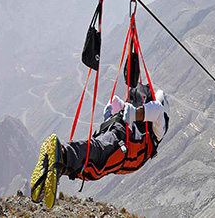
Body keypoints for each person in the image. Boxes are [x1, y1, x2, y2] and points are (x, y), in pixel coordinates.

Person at [30, 87, 170, 209]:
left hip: (119, 138)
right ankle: (61, 153)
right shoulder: (155, 131)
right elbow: (157, 109)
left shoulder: (150, 126)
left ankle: (55, 169)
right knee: (97, 157)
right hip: (123, 145)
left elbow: (117, 102)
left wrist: (118, 113)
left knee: (92, 168)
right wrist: (132, 113)